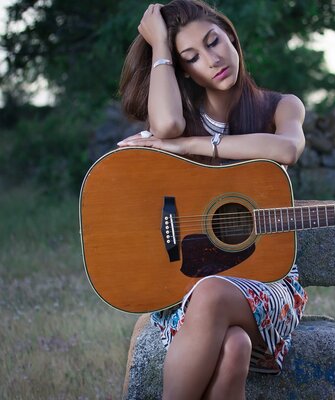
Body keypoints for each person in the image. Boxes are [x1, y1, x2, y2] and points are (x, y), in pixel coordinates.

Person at [116, 1, 308, 399]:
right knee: (233, 345)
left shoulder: (280, 107)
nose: (212, 58)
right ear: (184, 71)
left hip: (267, 283)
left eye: (213, 41)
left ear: (231, 36)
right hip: (185, 287)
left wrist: (191, 145)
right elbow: (166, 125)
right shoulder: (178, 117)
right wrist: (160, 48)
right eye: (192, 57)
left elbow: (287, 150)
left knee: (213, 293)